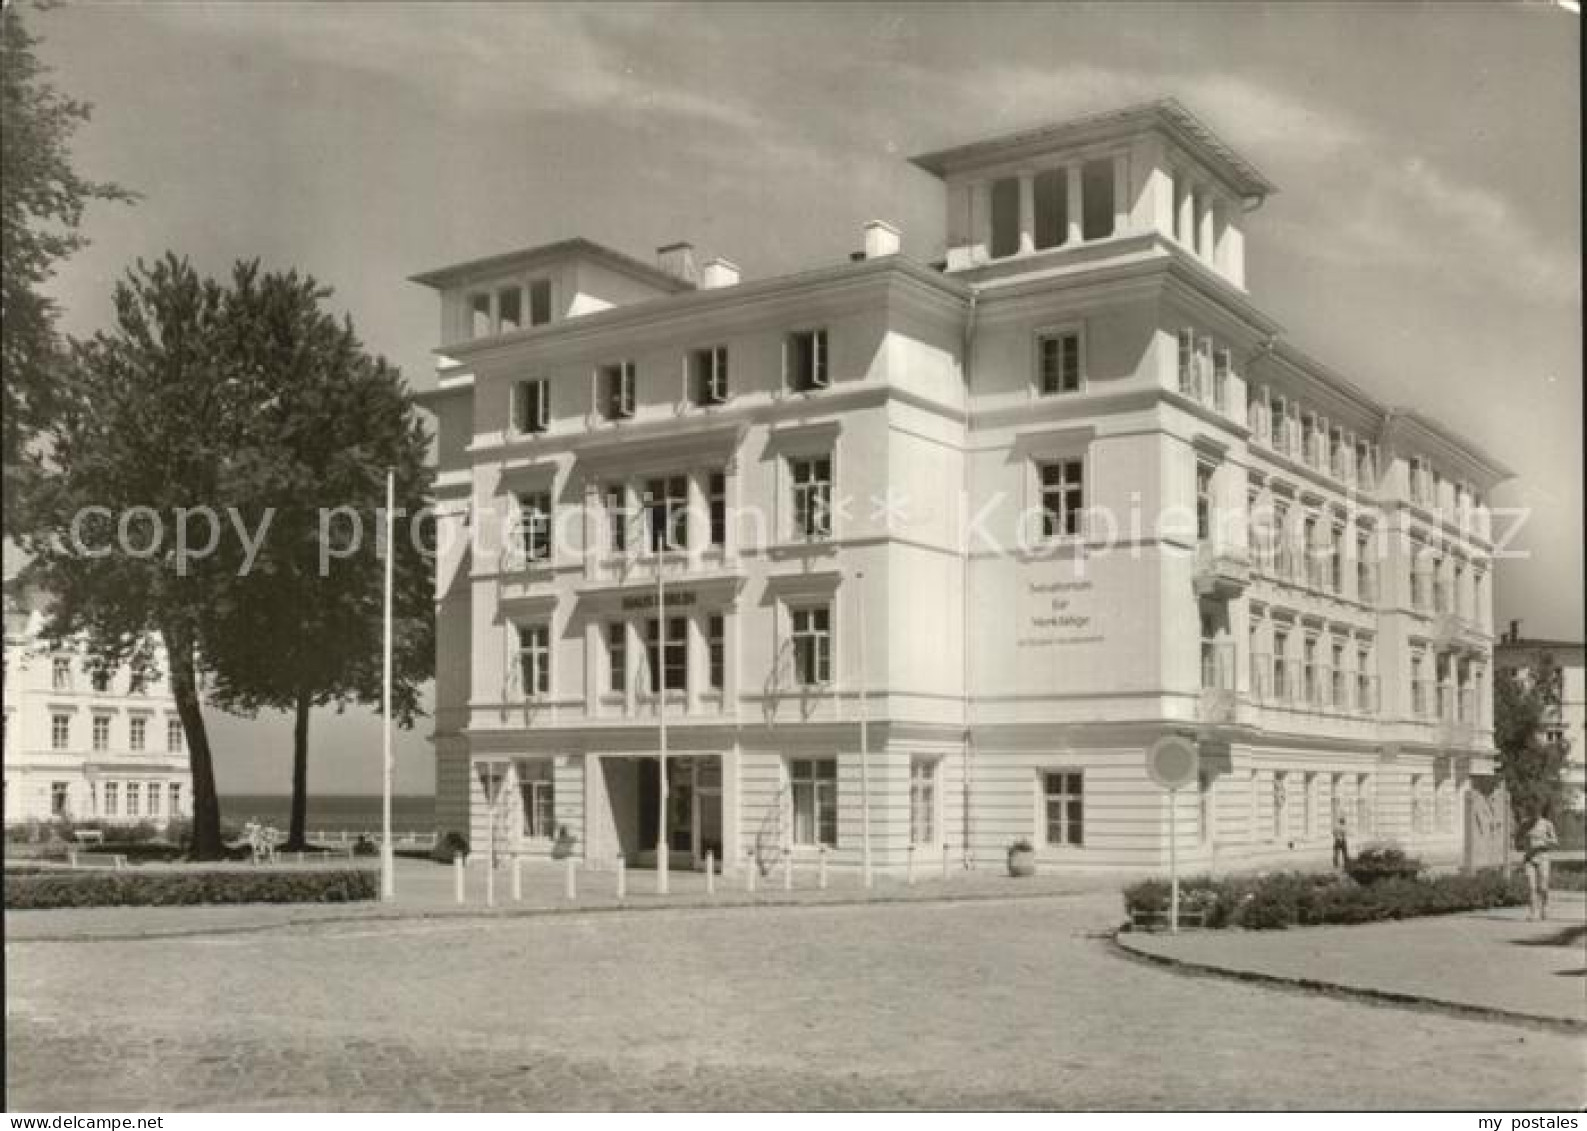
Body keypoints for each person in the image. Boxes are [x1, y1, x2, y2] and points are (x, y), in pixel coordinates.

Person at [1522, 809, 1559, 921]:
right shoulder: (1525, 823)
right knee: (1531, 886)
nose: (1534, 814)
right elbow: (1517, 838)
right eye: (1532, 811)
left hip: (1543, 858)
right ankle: (1533, 912)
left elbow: (1555, 842)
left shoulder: (1547, 824)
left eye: (1537, 811)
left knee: (1543, 886)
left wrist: (1543, 840)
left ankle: (1545, 907)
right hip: (1529, 859)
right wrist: (1524, 843)